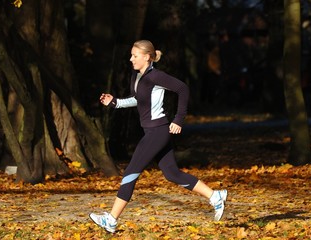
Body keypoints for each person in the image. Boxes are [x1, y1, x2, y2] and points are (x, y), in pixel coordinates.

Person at [89, 40, 227, 233]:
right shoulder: (136, 76)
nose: (131, 59)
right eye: (131, 55)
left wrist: (178, 120)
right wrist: (115, 103)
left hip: (158, 131)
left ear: (147, 57)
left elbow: (182, 89)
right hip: (152, 131)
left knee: (130, 172)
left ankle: (111, 220)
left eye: (135, 56)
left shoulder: (157, 76)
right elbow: (137, 100)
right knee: (172, 174)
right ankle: (215, 196)